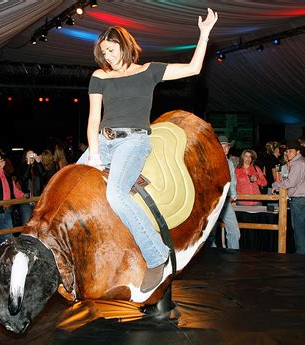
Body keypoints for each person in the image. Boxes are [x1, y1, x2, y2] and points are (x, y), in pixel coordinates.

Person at [77, 8, 218, 292]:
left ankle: (157, 255)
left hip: (134, 140)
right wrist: (93, 154)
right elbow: (93, 119)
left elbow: (193, 69)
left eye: (111, 49)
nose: (107, 56)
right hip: (104, 140)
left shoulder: (148, 70)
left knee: (116, 193)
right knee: (73, 180)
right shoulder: (99, 76)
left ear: (124, 45)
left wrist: (204, 35)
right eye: (103, 52)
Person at [272, 141, 305, 255]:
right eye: (286, 152)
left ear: (298, 151)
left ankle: (301, 256)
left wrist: (276, 185)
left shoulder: (297, 163)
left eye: (290, 151)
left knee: (299, 230)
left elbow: (291, 182)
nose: (287, 154)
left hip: (299, 200)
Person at [217, 135, 240, 249]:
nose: (225, 149)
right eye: (222, 146)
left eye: (227, 147)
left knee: (234, 231)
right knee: (208, 233)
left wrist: (233, 196)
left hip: (224, 202)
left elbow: (233, 180)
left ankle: (233, 257)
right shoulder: (210, 162)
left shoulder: (229, 163)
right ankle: (208, 258)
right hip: (213, 202)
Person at [16, 150, 46, 225]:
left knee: (38, 222)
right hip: (26, 199)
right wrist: (28, 164)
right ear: (25, 157)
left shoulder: (37, 166)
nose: (31, 156)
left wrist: (39, 162)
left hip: (37, 199)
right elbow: (24, 178)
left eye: (32, 154)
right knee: (26, 223)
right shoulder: (22, 166)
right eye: (29, 155)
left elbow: (43, 174)